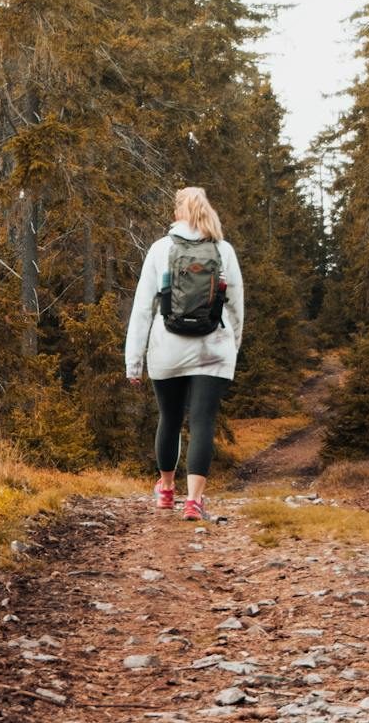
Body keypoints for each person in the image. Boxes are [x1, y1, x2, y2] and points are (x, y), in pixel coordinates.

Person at [124, 187, 246, 521]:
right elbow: (236, 306)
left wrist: (134, 361)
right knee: (203, 420)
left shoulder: (160, 249)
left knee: (170, 418)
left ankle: (166, 490)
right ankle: (194, 501)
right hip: (213, 349)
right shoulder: (223, 250)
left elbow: (142, 309)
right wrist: (231, 345)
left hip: (167, 349)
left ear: (179, 213)